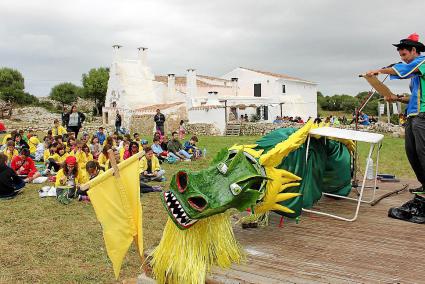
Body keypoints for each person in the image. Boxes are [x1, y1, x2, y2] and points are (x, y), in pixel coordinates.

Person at [366, 33, 425, 223]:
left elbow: (404, 69)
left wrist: (380, 71)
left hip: (424, 116)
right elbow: (414, 96)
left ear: (415, 51)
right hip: (413, 115)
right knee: (412, 153)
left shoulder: (422, 61)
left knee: (423, 154)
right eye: (400, 55)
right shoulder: (416, 72)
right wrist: (397, 98)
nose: (403, 58)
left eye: (405, 54)